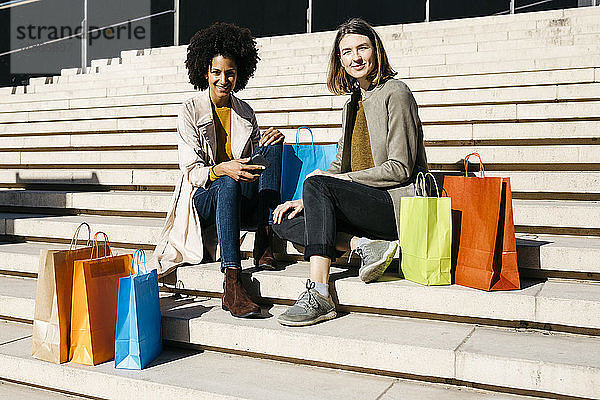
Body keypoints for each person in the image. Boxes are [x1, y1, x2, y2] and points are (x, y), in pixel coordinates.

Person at [273, 18, 428, 327]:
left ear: (377, 51)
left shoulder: (395, 93)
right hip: (363, 204)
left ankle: (319, 293)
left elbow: (400, 169)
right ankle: (363, 246)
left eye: (362, 48)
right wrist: (306, 199)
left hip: (396, 206)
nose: (355, 58)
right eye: (346, 52)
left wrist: (329, 183)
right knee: (281, 219)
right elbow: (340, 164)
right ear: (339, 61)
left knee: (318, 184)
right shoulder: (353, 102)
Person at [152, 22, 284, 318]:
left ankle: (264, 242)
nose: (223, 79)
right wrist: (222, 169)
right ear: (205, 72)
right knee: (227, 181)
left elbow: (252, 164)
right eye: (216, 72)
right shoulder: (190, 109)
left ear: (240, 74)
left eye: (230, 73)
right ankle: (232, 281)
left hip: (238, 191)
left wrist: (265, 145)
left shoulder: (246, 112)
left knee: (273, 147)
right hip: (203, 198)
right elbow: (192, 172)